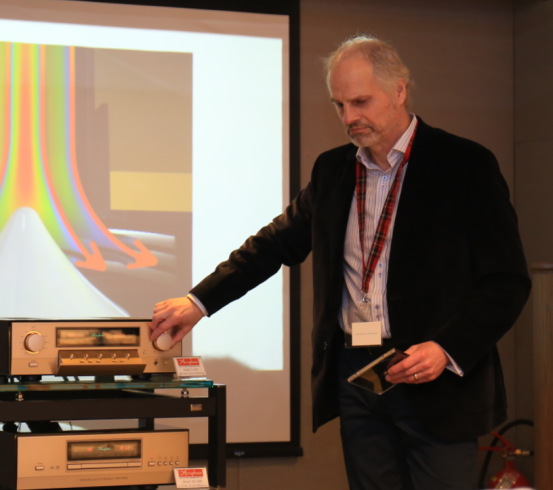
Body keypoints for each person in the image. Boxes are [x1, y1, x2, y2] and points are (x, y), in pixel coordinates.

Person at [149, 35, 531, 490]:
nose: (349, 118)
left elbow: (506, 282)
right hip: (358, 378)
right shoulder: (332, 170)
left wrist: (445, 349)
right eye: (339, 105)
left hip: (433, 380)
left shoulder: (464, 164)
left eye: (360, 102)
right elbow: (272, 246)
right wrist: (198, 302)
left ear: (400, 90)